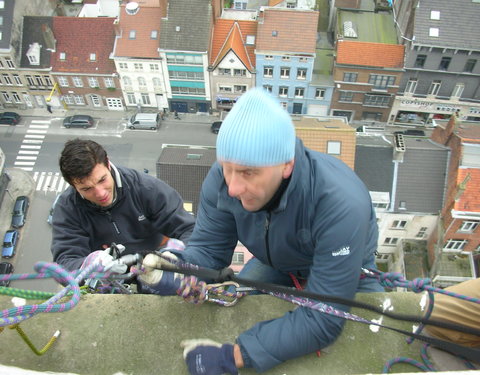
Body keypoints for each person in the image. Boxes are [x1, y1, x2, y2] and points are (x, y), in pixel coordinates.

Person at [151, 87, 384, 374]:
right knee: (237, 303)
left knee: (375, 338)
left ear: (286, 164)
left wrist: (233, 356)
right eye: (227, 168)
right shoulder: (222, 179)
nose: (233, 188)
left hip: (346, 271)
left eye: (248, 172)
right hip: (277, 262)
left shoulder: (340, 204)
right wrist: (178, 268)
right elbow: (210, 250)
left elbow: (324, 318)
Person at [51, 138, 195, 272]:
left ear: (108, 164)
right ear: (73, 186)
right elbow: (66, 262)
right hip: (105, 280)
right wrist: (88, 266)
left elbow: (190, 229)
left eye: (102, 180)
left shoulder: (146, 189)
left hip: (154, 265)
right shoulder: (68, 209)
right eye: (87, 189)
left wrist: (180, 255)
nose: (100, 193)